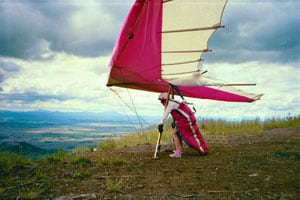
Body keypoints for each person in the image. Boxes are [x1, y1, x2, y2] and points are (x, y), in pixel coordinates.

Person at [158, 92, 209, 158]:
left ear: (166, 99)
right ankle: (179, 150)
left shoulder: (170, 104)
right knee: (176, 133)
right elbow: (179, 112)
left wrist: (160, 125)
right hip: (186, 119)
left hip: (185, 120)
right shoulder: (173, 102)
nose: (162, 103)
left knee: (176, 134)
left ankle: (179, 152)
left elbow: (165, 116)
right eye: (161, 101)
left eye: (163, 101)